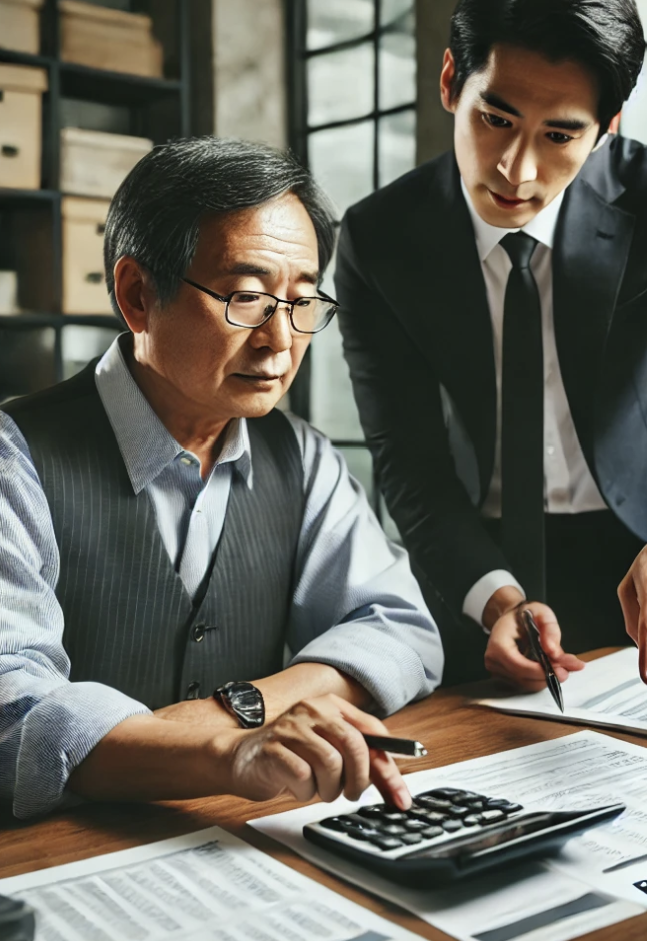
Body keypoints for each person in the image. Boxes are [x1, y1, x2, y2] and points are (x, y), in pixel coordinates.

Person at [336, 0, 647, 689]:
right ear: (450, 82)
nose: (516, 169)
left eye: (559, 136)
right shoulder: (379, 238)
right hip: (475, 557)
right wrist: (491, 595)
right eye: (494, 118)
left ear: (606, 128)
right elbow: (407, 458)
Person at [0, 137, 442, 821]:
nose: (279, 339)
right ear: (137, 294)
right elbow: (13, 708)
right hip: (53, 856)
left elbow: (401, 628)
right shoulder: (17, 458)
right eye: (246, 297)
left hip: (233, 836)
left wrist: (242, 707)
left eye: (301, 303)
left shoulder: (302, 457)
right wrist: (230, 752)